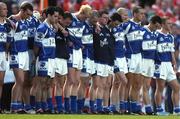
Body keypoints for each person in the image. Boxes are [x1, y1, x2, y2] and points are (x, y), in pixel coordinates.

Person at [63, 5, 92, 113]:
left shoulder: (83, 23)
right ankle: (66, 107)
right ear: (82, 13)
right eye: (86, 17)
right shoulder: (70, 18)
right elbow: (61, 28)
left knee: (76, 81)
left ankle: (74, 108)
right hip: (70, 52)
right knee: (70, 80)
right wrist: (67, 42)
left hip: (79, 52)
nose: (86, 19)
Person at [9, 1, 33, 113]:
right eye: (27, 14)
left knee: (22, 82)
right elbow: (3, 23)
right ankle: (13, 106)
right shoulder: (13, 19)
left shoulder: (25, 22)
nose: (28, 17)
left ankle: (18, 105)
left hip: (24, 54)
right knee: (19, 80)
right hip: (16, 53)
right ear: (22, 10)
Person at [34, 6, 59, 114]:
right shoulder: (42, 28)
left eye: (58, 16)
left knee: (47, 84)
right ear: (48, 15)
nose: (57, 18)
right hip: (44, 59)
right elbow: (36, 45)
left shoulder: (52, 28)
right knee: (41, 83)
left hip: (52, 59)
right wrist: (37, 57)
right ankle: (38, 107)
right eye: (55, 16)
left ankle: (45, 106)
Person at [154, 17, 180, 115]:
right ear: (163, 24)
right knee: (160, 87)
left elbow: (172, 52)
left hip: (169, 64)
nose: (171, 26)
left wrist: (174, 64)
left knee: (176, 87)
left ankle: (177, 110)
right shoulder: (156, 35)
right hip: (160, 64)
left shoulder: (171, 37)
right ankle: (159, 110)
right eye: (169, 24)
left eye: (172, 24)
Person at [123, 6, 145, 114]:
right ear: (135, 14)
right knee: (129, 83)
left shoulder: (141, 27)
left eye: (143, 14)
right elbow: (119, 37)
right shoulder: (128, 25)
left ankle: (135, 108)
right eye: (141, 13)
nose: (143, 15)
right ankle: (126, 108)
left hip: (138, 57)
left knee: (137, 84)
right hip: (129, 56)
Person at [93, 10, 115, 114]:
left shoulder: (108, 30)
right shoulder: (96, 29)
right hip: (99, 60)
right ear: (99, 18)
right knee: (100, 85)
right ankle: (98, 107)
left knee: (107, 85)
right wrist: (95, 24)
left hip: (109, 61)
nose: (106, 20)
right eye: (104, 17)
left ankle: (106, 107)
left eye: (107, 18)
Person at [77, 10, 98, 114]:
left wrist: (96, 25)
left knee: (86, 83)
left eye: (96, 20)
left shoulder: (92, 27)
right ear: (89, 17)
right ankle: (79, 107)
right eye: (94, 19)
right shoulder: (82, 26)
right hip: (84, 56)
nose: (96, 21)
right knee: (83, 82)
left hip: (91, 57)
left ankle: (86, 106)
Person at [141, 15, 162, 115]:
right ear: (152, 23)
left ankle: (147, 108)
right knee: (142, 86)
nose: (156, 29)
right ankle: (147, 109)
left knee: (147, 87)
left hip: (151, 62)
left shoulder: (155, 33)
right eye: (155, 26)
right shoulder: (142, 31)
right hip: (143, 61)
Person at [54, 11, 73, 114]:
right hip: (56, 58)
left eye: (69, 23)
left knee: (61, 84)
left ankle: (60, 107)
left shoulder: (67, 31)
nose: (67, 24)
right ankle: (56, 107)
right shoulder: (55, 28)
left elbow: (69, 43)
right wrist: (60, 27)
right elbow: (52, 22)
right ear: (61, 19)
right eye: (66, 22)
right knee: (55, 84)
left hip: (63, 59)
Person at [109, 12, 128, 114]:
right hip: (115, 58)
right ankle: (120, 106)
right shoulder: (110, 30)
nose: (117, 25)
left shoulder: (121, 29)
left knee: (116, 84)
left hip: (122, 58)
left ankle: (114, 107)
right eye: (116, 23)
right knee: (124, 81)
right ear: (112, 21)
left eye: (118, 23)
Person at [0, 2, 12, 113]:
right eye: (4, 9)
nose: (6, 11)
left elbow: (8, 41)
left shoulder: (7, 25)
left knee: (1, 82)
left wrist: (6, 53)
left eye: (6, 9)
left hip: (3, 54)